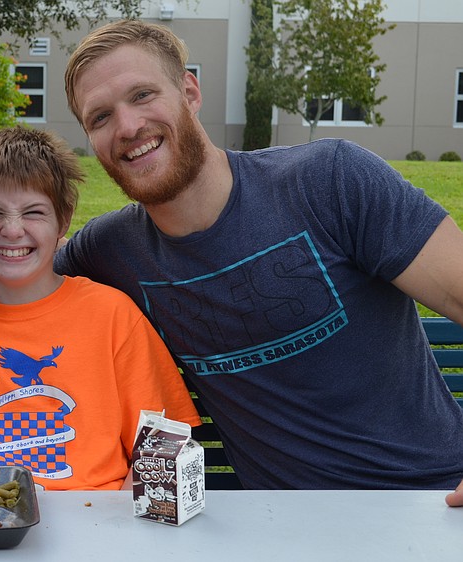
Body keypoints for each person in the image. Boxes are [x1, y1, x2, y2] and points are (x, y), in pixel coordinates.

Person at [55, 19, 463, 499]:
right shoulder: (111, 249)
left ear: (189, 91)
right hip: (276, 527)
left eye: (143, 95)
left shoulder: (328, 181)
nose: (127, 127)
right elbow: (8, 269)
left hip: (434, 500)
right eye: (99, 117)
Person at [0, 126, 200, 490]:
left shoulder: (112, 314)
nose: (11, 230)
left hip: (105, 523)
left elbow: (164, 441)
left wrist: (124, 523)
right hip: (0, 523)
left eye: (33, 212)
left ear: (64, 220)